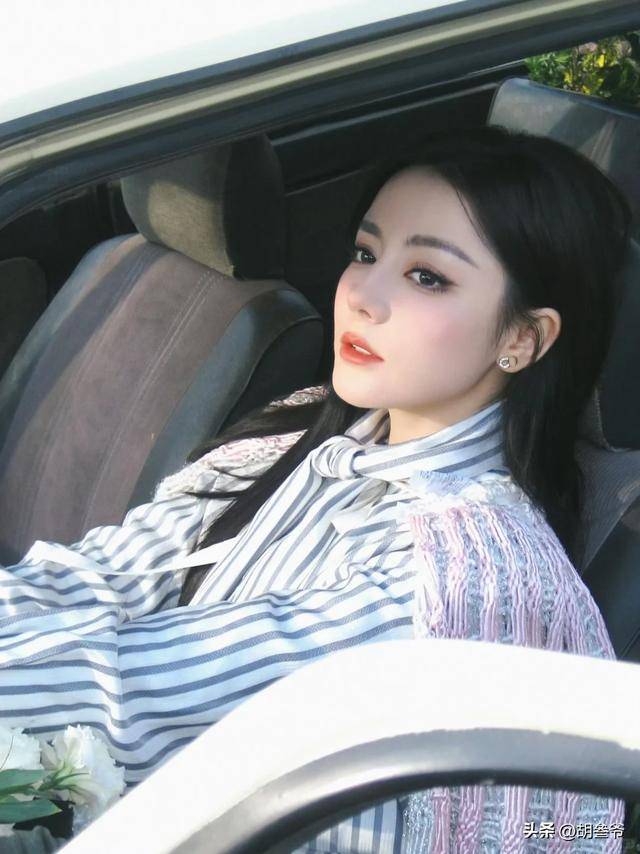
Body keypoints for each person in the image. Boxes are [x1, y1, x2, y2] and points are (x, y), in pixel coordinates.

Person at [0, 124, 632, 853]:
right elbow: (109, 572)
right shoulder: (308, 433)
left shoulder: (467, 580)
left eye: (427, 276)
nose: (363, 294)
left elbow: (135, 698)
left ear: (521, 339)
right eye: (366, 253)